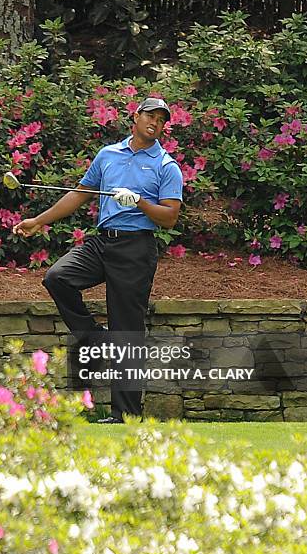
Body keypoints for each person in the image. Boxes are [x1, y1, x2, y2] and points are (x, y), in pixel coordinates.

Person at [13, 97, 183, 423]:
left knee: (127, 332)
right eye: (151, 115)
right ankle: (95, 338)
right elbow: (79, 194)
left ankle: (125, 415)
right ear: (136, 116)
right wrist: (39, 220)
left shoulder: (165, 165)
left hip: (136, 250)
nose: (156, 123)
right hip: (102, 243)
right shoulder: (108, 155)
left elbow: (170, 217)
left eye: (162, 120)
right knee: (57, 278)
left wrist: (140, 203)